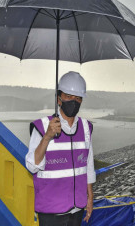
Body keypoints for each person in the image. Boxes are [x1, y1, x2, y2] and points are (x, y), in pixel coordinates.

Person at [25, 71, 96, 226]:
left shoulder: (86, 127)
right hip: (51, 211)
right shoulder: (43, 126)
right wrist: (47, 137)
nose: (74, 101)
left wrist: (90, 197)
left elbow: (88, 166)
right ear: (59, 99)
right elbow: (32, 166)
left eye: (78, 98)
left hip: (77, 208)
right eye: (69, 96)